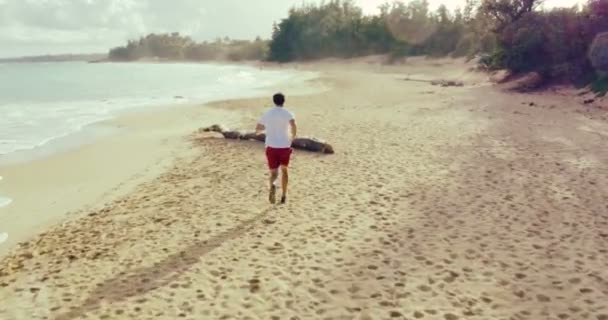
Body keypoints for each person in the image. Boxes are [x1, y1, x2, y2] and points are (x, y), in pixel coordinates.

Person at [255, 93, 297, 204]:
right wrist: (292, 137)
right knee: (284, 170)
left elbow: (258, 128)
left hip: (271, 146)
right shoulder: (287, 113)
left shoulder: (268, 113)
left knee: (273, 173)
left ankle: (273, 184)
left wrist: (261, 131)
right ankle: (283, 196)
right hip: (284, 146)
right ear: (284, 101)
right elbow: (293, 125)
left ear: (274, 101)